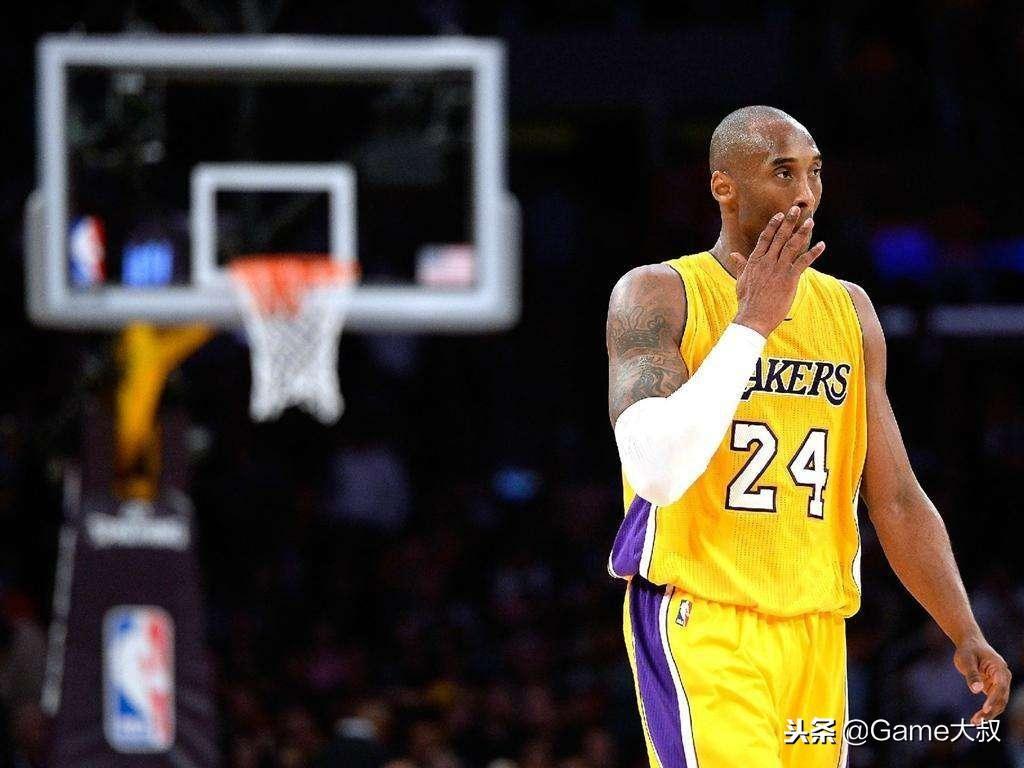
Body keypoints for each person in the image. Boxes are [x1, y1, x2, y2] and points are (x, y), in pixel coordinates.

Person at [605, 105, 1011, 767]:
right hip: (702, 617)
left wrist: (962, 628)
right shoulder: (658, 293)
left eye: (815, 172)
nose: (805, 193)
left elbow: (896, 497)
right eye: (782, 171)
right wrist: (751, 326)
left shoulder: (849, 310)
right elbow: (658, 473)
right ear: (723, 185)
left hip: (818, 630)